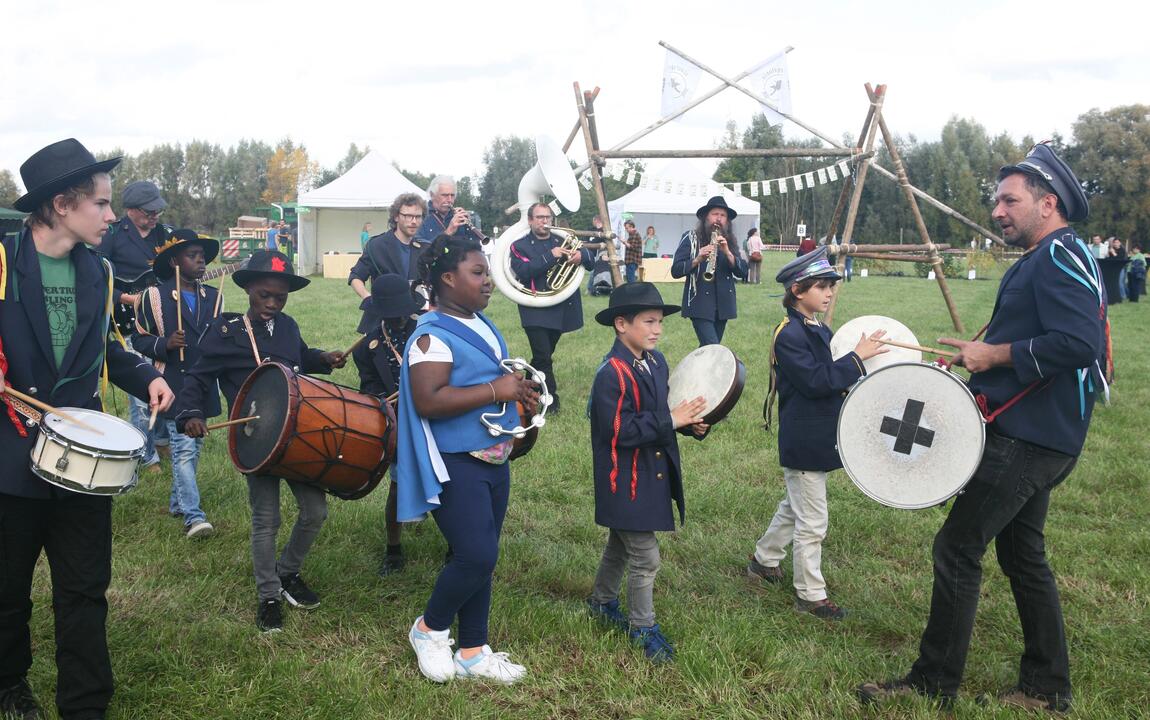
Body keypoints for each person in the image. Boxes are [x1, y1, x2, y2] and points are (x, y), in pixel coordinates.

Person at [858, 143, 1107, 713]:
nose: (998, 210)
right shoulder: (1053, 254)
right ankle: (1047, 688)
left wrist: (993, 357)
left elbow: (1079, 344)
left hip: (1029, 436)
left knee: (957, 548)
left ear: (1048, 204)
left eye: (1010, 200)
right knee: (1022, 557)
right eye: (997, 200)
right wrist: (975, 357)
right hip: (1040, 432)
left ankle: (933, 682)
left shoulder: (1057, 257)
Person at [0, 138, 174, 720]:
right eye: (100, 204)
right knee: (6, 594)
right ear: (61, 204)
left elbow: (103, 347)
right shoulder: (1, 261)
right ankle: (8, 682)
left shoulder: (97, 273)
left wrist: (145, 373)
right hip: (7, 458)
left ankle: (84, 704)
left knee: (83, 592)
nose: (110, 215)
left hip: (79, 464)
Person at [175, 250, 346, 633]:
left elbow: (299, 358)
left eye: (279, 297)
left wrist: (322, 358)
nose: (271, 303)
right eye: (263, 295)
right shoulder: (226, 332)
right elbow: (198, 377)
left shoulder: (287, 326)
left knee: (315, 512)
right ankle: (268, 594)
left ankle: (288, 573)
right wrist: (191, 414)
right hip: (256, 439)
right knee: (266, 518)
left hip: (298, 434)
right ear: (248, 288)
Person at [396, 233, 537, 684]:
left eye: (487, 272)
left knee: (484, 554)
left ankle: (473, 650)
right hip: (456, 460)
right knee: (475, 553)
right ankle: (429, 628)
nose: (488, 281)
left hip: (493, 459)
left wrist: (519, 398)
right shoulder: (430, 336)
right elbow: (429, 400)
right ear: (446, 278)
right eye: (477, 273)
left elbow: (490, 380)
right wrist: (499, 390)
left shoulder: (480, 323)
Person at [747, 247, 886, 620]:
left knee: (796, 506)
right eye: (821, 286)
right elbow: (815, 381)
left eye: (830, 286)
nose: (828, 293)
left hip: (817, 436)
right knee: (813, 519)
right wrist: (857, 358)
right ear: (797, 290)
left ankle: (764, 560)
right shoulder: (790, 335)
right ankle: (810, 594)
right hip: (803, 438)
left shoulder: (818, 328)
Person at [585, 283, 707, 663]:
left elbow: (663, 410)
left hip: (649, 476)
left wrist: (687, 424)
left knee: (620, 545)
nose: (657, 329)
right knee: (646, 557)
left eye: (660, 322)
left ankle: (601, 601)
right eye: (649, 322)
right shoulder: (612, 374)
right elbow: (619, 430)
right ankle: (643, 626)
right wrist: (672, 419)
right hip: (625, 481)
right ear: (621, 324)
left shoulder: (656, 362)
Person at [132, 229, 222, 539]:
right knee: (183, 450)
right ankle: (193, 517)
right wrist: (164, 343)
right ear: (174, 261)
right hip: (172, 383)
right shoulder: (153, 296)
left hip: (203, 385)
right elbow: (138, 340)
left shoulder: (214, 296)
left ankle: (176, 503)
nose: (201, 261)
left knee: (192, 449)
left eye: (203, 257)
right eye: (193, 256)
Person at [97, 179, 173, 472]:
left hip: (158, 321)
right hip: (125, 322)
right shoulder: (112, 233)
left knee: (166, 378)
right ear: (130, 210)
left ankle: (163, 439)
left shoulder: (164, 234)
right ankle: (146, 453)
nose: (154, 216)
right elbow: (96, 273)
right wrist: (124, 298)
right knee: (141, 391)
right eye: (148, 211)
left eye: (157, 211)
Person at [351, 273, 421, 575]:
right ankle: (394, 549)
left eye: (401, 314)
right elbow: (370, 388)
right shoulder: (368, 347)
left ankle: (454, 546)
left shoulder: (427, 332)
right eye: (390, 315)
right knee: (397, 483)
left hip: (436, 415)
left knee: (450, 484)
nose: (397, 320)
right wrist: (386, 402)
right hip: (398, 419)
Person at [508, 202, 593, 413]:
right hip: (534, 307)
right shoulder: (519, 245)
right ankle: (550, 400)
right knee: (544, 355)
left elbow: (591, 259)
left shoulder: (562, 239)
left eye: (547, 217)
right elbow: (524, 271)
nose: (544, 222)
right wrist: (551, 256)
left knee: (541, 357)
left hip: (560, 307)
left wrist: (581, 256)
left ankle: (525, 390)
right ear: (530, 220)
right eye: (539, 217)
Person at [670, 196, 748, 346]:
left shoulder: (730, 240)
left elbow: (743, 271)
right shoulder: (690, 237)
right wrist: (697, 258)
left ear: (727, 221)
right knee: (713, 347)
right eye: (715, 214)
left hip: (723, 305)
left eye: (723, 215)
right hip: (699, 302)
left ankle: (696, 369)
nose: (718, 219)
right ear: (706, 216)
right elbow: (676, 270)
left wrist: (728, 253)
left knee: (709, 351)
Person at [349, 193, 428, 333]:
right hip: (382, 322)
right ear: (396, 216)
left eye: (418, 217)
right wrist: (368, 298)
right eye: (408, 216)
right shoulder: (376, 245)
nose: (414, 221)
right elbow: (356, 276)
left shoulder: (425, 249)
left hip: (415, 322)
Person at [415, 176, 482, 245]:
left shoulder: (458, 217)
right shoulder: (420, 216)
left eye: (452, 195)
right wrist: (448, 232)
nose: (450, 200)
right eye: (445, 195)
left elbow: (474, 248)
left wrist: (468, 228)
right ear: (432, 195)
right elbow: (420, 250)